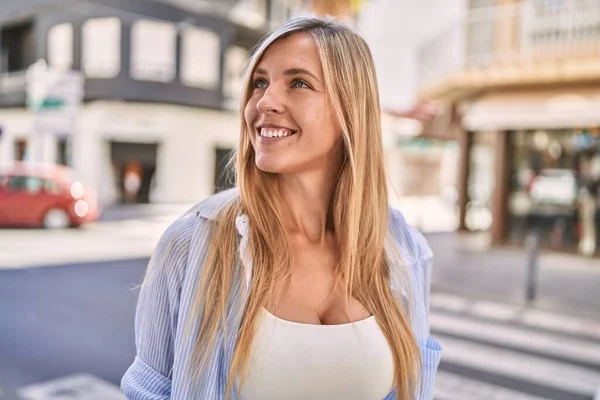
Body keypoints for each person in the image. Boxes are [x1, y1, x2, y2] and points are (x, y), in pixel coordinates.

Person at [121, 15, 441, 400]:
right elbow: (149, 391)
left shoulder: (407, 251)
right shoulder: (192, 244)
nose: (265, 102)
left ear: (350, 111)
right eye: (260, 83)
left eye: (299, 83)